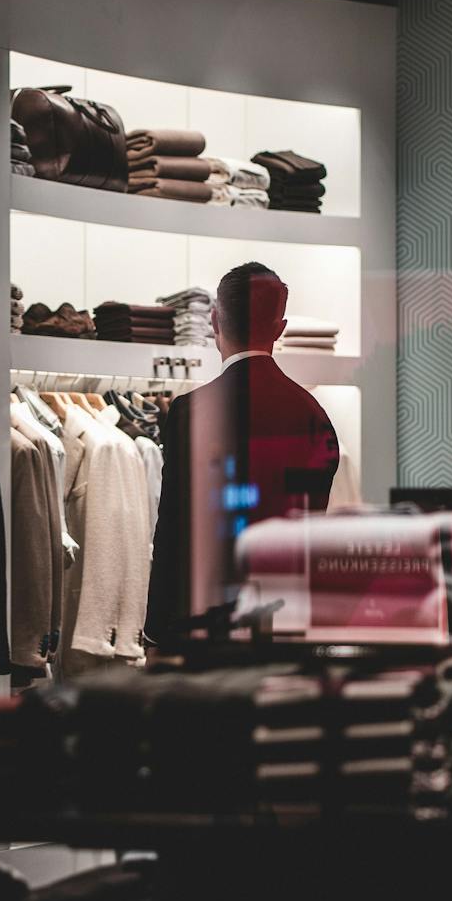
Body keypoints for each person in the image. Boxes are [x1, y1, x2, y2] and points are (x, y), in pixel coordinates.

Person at [145, 262, 341, 644]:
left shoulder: (192, 413)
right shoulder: (314, 415)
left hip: (206, 624)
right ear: (279, 329)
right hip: (287, 622)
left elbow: (173, 530)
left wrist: (156, 631)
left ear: (215, 321)